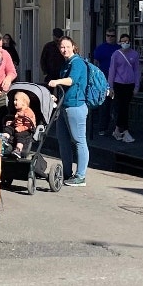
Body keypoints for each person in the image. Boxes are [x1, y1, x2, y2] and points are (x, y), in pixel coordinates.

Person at [47, 35, 89, 186]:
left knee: (79, 141)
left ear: (73, 47)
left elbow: (72, 80)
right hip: (64, 105)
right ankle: (67, 173)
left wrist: (57, 81)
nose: (64, 49)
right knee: (63, 141)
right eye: (62, 47)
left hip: (76, 106)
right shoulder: (66, 63)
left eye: (67, 46)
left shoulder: (77, 63)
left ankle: (80, 176)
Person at [108, 33, 141, 143]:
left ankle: (118, 129)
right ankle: (124, 130)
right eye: (122, 41)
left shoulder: (134, 54)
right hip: (119, 83)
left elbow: (137, 71)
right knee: (122, 107)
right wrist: (110, 86)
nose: (125, 43)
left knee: (125, 107)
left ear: (130, 42)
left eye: (127, 41)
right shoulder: (116, 55)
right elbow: (112, 71)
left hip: (129, 84)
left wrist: (137, 86)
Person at [91, 30, 121, 135]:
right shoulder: (100, 48)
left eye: (112, 36)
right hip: (103, 80)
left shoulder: (118, 49)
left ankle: (116, 128)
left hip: (117, 80)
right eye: (108, 35)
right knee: (104, 105)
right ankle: (102, 128)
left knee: (116, 105)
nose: (110, 38)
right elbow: (95, 63)